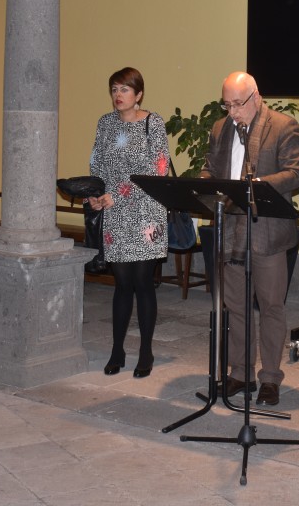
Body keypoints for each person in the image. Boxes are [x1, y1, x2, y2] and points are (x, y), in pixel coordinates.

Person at [201, 71, 299, 407]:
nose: (231, 111)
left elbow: (294, 174)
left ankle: (270, 378)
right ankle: (241, 372)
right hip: (231, 230)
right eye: (226, 104)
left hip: (268, 232)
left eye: (237, 104)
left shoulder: (283, 125)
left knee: (271, 306)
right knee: (236, 306)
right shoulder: (220, 128)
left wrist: (257, 185)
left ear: (256, 96)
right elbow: (211, 169)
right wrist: (203, 184)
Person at [88, 67, 171, 379]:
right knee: (121, 284)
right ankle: (117, 349)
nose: (118, 95)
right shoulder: (105, 123)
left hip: (146, 213)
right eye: (114, 89)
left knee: (142, 283)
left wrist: (115, 196)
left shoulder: (153, 123)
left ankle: (146, 350)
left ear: (138, 95)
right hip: (114, 214)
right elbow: (96, 163)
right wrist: (95, 196)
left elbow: (158, 169)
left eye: (124, 89)